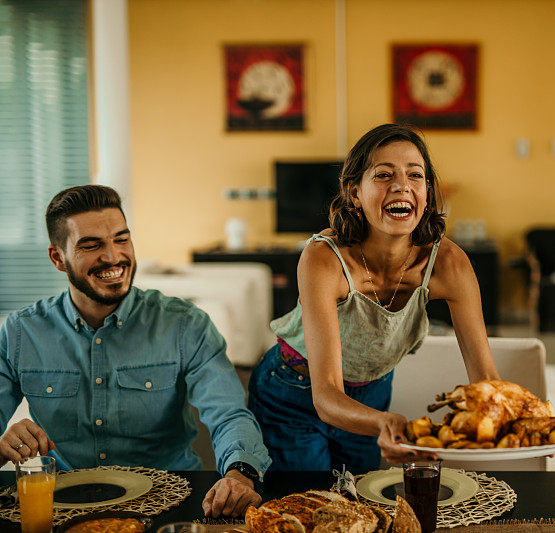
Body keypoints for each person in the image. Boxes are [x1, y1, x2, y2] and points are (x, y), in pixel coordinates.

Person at [0, 185, 270, 518]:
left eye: (121, 239)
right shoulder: (20, 332)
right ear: (58, 258)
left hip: (170, 503)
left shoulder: (186, 325)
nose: (113, 257)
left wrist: (239, 473)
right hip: (63, 508)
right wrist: (3, 448)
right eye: (91, 245)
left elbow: (228, 413)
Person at [248, 124, 500, 472]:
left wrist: (524, 425)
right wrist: (385, 422)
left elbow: (486, 379)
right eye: (383, 175)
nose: (402, 186)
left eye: (416, 175)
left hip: (372, 394)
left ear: (427, 191)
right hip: (292, 392)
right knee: (306, 508)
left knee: (362, 509)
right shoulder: (324, 259)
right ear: (355, 193)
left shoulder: (449, 264)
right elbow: (326, 396)